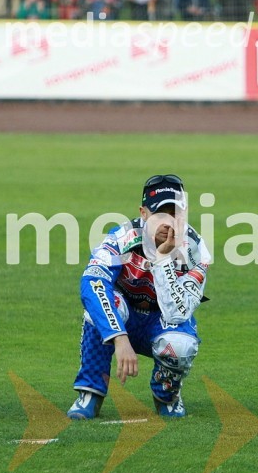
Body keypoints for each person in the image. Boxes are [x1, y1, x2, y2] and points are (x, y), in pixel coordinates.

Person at [67, 175, 211, 419]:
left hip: (162, 320)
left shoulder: (195, 249)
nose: (169, 223)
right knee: (101, 305)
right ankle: (90, 392)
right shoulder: (120, 238)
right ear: (144, 213)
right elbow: (92, 283)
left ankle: (166, 395)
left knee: (181, 344)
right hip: (124, 315)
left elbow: (179, 313)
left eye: (175, 213)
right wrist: (119, 338)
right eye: (160, 214)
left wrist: (163, 260)